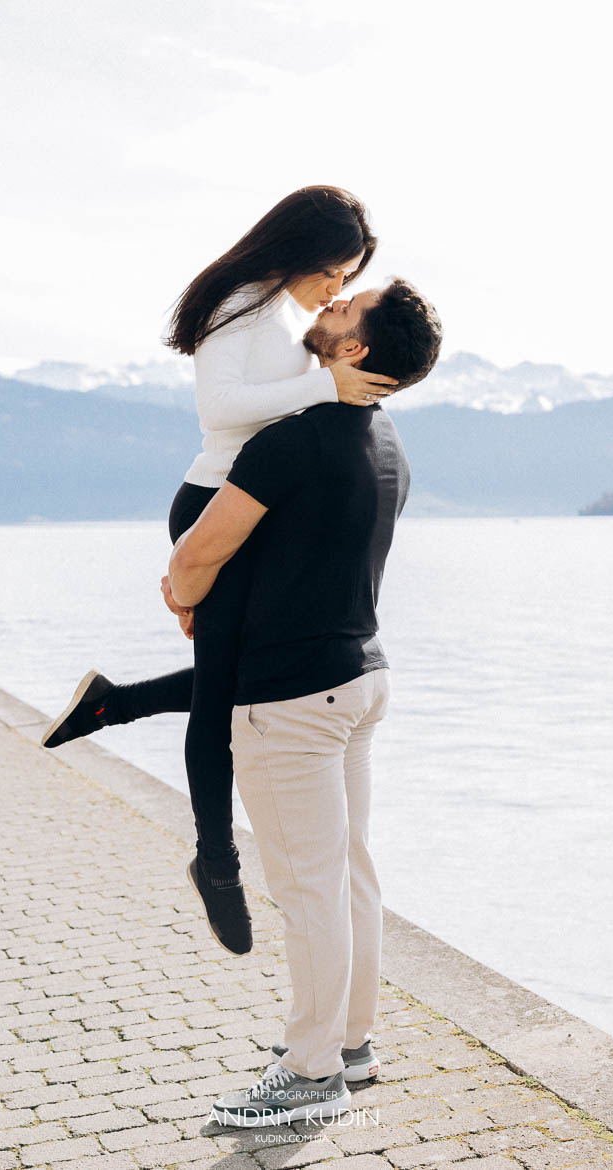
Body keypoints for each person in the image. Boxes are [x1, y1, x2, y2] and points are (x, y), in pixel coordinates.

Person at [41, 186, 397, 957]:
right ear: (301, 249)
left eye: (346, 280)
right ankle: (217, 859)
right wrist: (326, 386)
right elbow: (222, 408)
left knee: (237, 676)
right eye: (334, 272)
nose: (335, 290)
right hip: (216, 503)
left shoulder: (278, 315)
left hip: (255, 504)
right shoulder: (239, 302)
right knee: (223, 693)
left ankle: (116, 707)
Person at [165, 278, 443, 1126]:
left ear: (354, 350)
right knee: (349, 871)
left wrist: (182, 594)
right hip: (361, 680)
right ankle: (351, 1046)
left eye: (343, 309)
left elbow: (197, 552)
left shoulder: (290, 442)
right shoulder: (385, 437)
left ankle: (312, 1074)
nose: (327, 308)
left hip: (290, 698)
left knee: (308, 889)